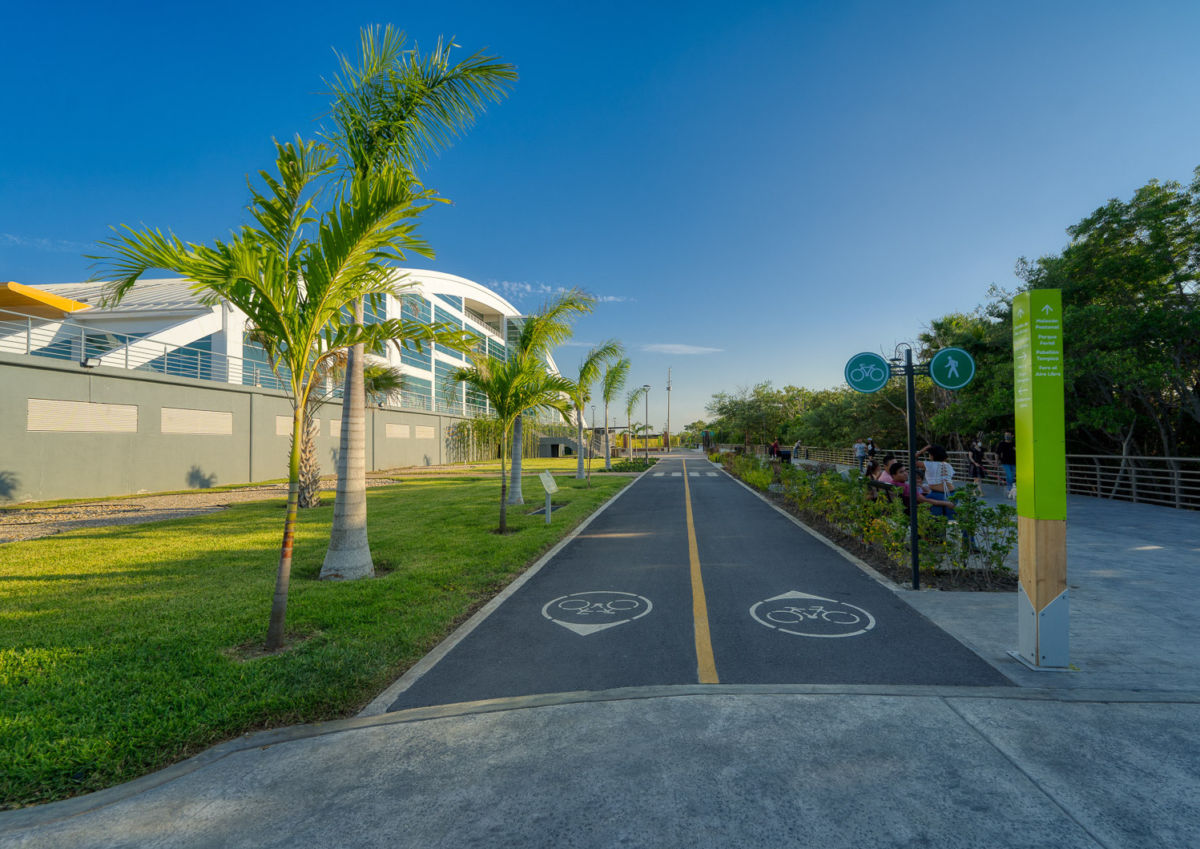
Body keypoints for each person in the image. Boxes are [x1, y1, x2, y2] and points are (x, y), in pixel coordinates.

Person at [994, 431, 1016, 499]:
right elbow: (997, 453)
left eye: (1008, 435)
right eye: (1006, 435)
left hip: (1014, 462)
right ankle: (1009, 490)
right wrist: (996, 461)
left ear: (1011, 435)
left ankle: (1011, 489)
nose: (1007, 436)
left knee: (1012, 476)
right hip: (1005, 462)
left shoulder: (1014, 443)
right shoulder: (1002, 444)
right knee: (1009, 475)